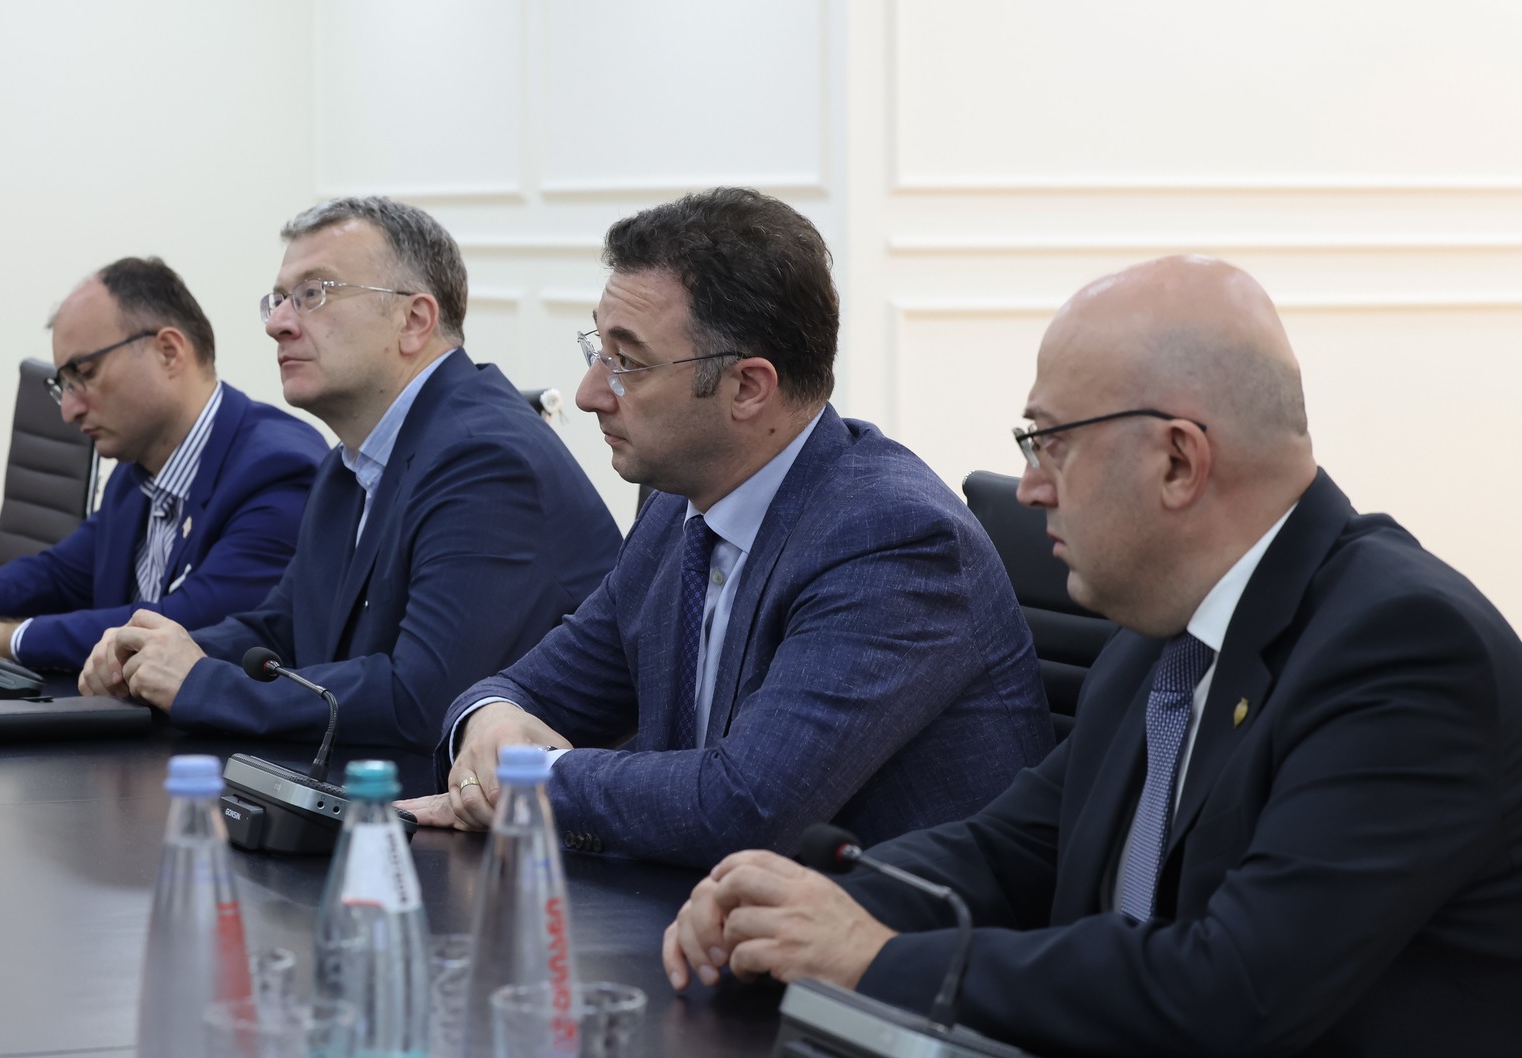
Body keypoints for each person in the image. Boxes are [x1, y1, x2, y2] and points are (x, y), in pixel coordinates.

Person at [661, 256, 1522, 1057]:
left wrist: (871, 958)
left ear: (1177, 461)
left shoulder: (1405, 651)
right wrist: (801, 907)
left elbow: (1233, 989)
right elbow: (1006, 851)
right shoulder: (1161, 638)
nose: (1029, 487)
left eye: (1049, 443)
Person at [401, 188, 1052, 869]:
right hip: (695, 906)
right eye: (598, 349)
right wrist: (490, 720)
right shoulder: (675, 507)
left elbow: (743, 807)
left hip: (877, 929)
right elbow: (529, 689)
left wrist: (527, 778)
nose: (590, 393)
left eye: (628, 363)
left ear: (748, 387)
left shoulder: (892, 540)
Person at [76, 197, 621, 754]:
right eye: (279, 300)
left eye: (313, 294)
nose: (277, 324)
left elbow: (424, 702)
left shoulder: (483, 459)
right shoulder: (350, 463)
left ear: (414, 321)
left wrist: (198, 682)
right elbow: (282, 630)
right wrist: (150, 654)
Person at [0, 257, 325, 671]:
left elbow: (190, 624)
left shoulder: (277, 469)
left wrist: (7, 638)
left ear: (169, 351)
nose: (69, 411)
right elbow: (63, 572)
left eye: (85, 373)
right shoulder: (136, 473)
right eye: (64, 385)